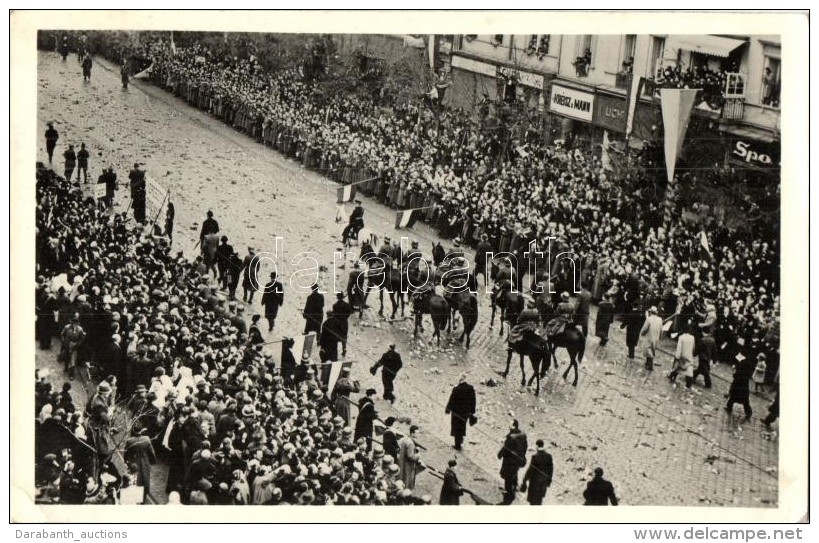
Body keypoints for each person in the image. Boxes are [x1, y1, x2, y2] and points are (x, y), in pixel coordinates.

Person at [497, 419, 528, 505]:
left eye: (510, 425)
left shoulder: (511, 437)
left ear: (514, 426)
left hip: (509, 461)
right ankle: (514, 488)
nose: (509, 427)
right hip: (518, 460)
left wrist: (499, 454)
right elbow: (525, 447)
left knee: (508, 478)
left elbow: (505, 448)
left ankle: (508, 498)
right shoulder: (523, 435)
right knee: (514, 473)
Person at [445, 373, 476, 451]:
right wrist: (472, 411)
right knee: (462, 427)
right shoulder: (470, 388)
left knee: (456, 428)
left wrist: (448, 410)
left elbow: (452, 400)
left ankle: (457, 445)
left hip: (456, 413)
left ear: (460, 380)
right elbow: (473, 401)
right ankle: (461, 440)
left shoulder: (456, 389)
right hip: (465, 413)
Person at [725, 343, 755, 421]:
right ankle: (747, 412)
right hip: (743, 382)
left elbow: (740, 371)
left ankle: (731, 407)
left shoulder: (744, 361)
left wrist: (735, 374)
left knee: (736, 395)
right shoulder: (748, 361)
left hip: (740, 381)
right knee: (743, 398)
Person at [124, 427, 157, 498]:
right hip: (144, 461)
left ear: (133, 430)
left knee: (135, 479)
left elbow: (126, 452)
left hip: (134, 461)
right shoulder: (146, 439)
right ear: (141, 430)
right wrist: (153, 461)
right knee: (145, 479)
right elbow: (152, 452)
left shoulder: (129, 441)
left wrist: (126, 461)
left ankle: (134, 496)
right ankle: (144, 496)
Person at [520, 439, 553, 505]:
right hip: (543, 482)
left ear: (537, 446)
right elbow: (551, 470)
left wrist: (525, 479)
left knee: (533, 501)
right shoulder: (549, 456)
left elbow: (530, 470)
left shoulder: (535, 457)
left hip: (535, 483)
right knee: (539, 500)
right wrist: (549, 481)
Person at [60, 313, 85, 380]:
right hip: (67, 345)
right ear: (71, 323)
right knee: (66, 357)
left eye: (76, 323)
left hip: (74, 346)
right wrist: (63, 342)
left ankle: (71, 374)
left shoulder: (80, 329)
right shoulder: (67, 327)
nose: (74, 325)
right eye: (73, 323)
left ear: (77, 324)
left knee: (72, 360)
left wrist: (77, 344)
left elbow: (81, 339)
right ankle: (66, 367)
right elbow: (62, 334)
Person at [398, 425, 422, 490]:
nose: (418, 435)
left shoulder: (406, 439)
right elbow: (410, 456)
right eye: (417, 433)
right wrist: (418, 455)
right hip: (408, 465)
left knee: (403, 476)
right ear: (412, 433)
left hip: (403, 461)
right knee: (408, 478)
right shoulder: (411, 443)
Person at [640, 306, 663, 371]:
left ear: (651, 312)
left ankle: (650, 365)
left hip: (649, 336)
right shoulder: (660, 319)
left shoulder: (649, 319)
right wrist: (660, 336)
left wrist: (642, 333)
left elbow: (644, 328)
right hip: (656, 337)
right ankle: (647, 363)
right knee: (652, 350)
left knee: (648, 350)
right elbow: (661, 329)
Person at [331, 292, 353, 356]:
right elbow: (349, 313)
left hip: (337, 322)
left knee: (336, 336)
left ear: (337, 297)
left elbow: (334, 315)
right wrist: (345, 318)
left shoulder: (335, 305)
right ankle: (344, 349)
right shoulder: (347, 305)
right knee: (344, 336)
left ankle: (335, 350)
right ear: (343, 297)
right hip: (344, 323)